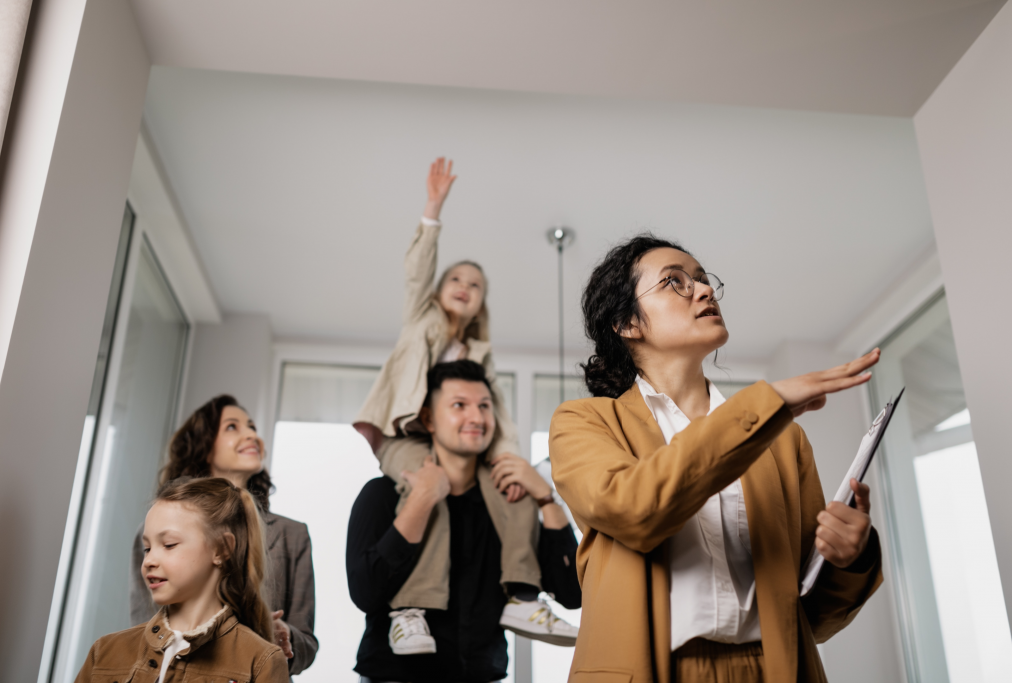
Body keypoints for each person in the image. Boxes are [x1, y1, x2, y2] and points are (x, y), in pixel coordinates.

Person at [548, 234, 885, 683]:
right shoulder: (584, 422)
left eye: (704, 281)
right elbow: (633, 508)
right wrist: (769, 402)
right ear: (628, 323)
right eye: (675, 282)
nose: (704, 290)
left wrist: (851, 560)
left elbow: (813, 618)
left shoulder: (784, 440)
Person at [353, 158, 561, 653]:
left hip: (458, 446)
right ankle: (409, 611)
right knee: (429, 489)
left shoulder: (479, 356)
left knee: (506, 487)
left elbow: (498, 416)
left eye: (476, 285)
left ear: (481, 303)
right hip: (408, 436)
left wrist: (510, 461)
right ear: (439, 292)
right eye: (456, 279)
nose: (465, 286)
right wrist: (433, 210)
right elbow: (417, 273)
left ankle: (522, 596)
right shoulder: (419, 320)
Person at [347, 360, 582, 682]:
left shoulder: (509, 504)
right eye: (459, 405)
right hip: (394, 675)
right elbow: (365, 593)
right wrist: (422, 498)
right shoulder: (382, 494)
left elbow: (572, 594)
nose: (476, 417)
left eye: (484, 406)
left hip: (482, 674)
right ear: (428, 419)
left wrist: (545, 497)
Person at [130, 395, 317, 675]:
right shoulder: (154, 533)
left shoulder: (293, 534)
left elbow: (307, 646)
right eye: (233, 427)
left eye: (252, 426)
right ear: (204, 447)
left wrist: (282, 634)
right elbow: (143, 629)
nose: (252, 434)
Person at [77, 478, 290, 683]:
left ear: (222, 549)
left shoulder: (262, 662)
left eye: (169, 545)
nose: (149, 560)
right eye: (147, 548)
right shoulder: (104, 651)